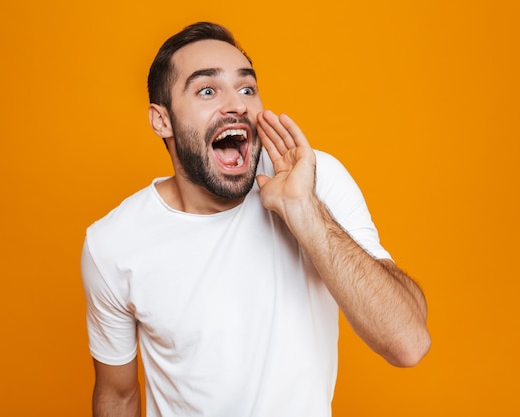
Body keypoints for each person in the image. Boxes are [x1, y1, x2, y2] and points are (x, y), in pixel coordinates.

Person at [81, 21, 430, 417]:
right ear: (162, 120)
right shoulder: (113, 243)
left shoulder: (314, 178)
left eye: (247, 88)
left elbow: (408, 342)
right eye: (207, 90)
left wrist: (305, 211)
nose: (237, 105)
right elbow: (119, 396)